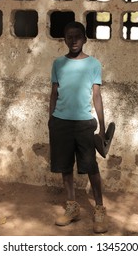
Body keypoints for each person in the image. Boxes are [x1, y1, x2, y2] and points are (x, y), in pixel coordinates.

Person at [48, 21, 107, 233]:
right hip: (60, 122)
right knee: (65, 167)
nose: (73, 40)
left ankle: (99, 209)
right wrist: (51, 120)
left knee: (91, 166)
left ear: (85, 39)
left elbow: (97, 96)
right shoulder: (58, 63)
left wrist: (101, 126)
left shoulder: (93, 64)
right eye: (69, 37)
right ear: (64, 39)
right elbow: (54, 93)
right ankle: (72, 206)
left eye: (77, 36)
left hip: (84, 123)